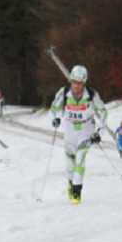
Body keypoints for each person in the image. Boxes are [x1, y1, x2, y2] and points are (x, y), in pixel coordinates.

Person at [50, 65, 107, 204]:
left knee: (80, 158)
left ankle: (77, 192)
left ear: (84, 82)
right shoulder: (64, 92)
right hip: (69, 131)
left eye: (79, 83)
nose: (76, 86)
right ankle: (71, 183)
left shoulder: (92, 95)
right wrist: (56, 118)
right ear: (71, 81)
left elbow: (103, 112)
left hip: (85, 130)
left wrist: (99, 131)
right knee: (70, 165)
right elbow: (54, 107)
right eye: (74, 82)